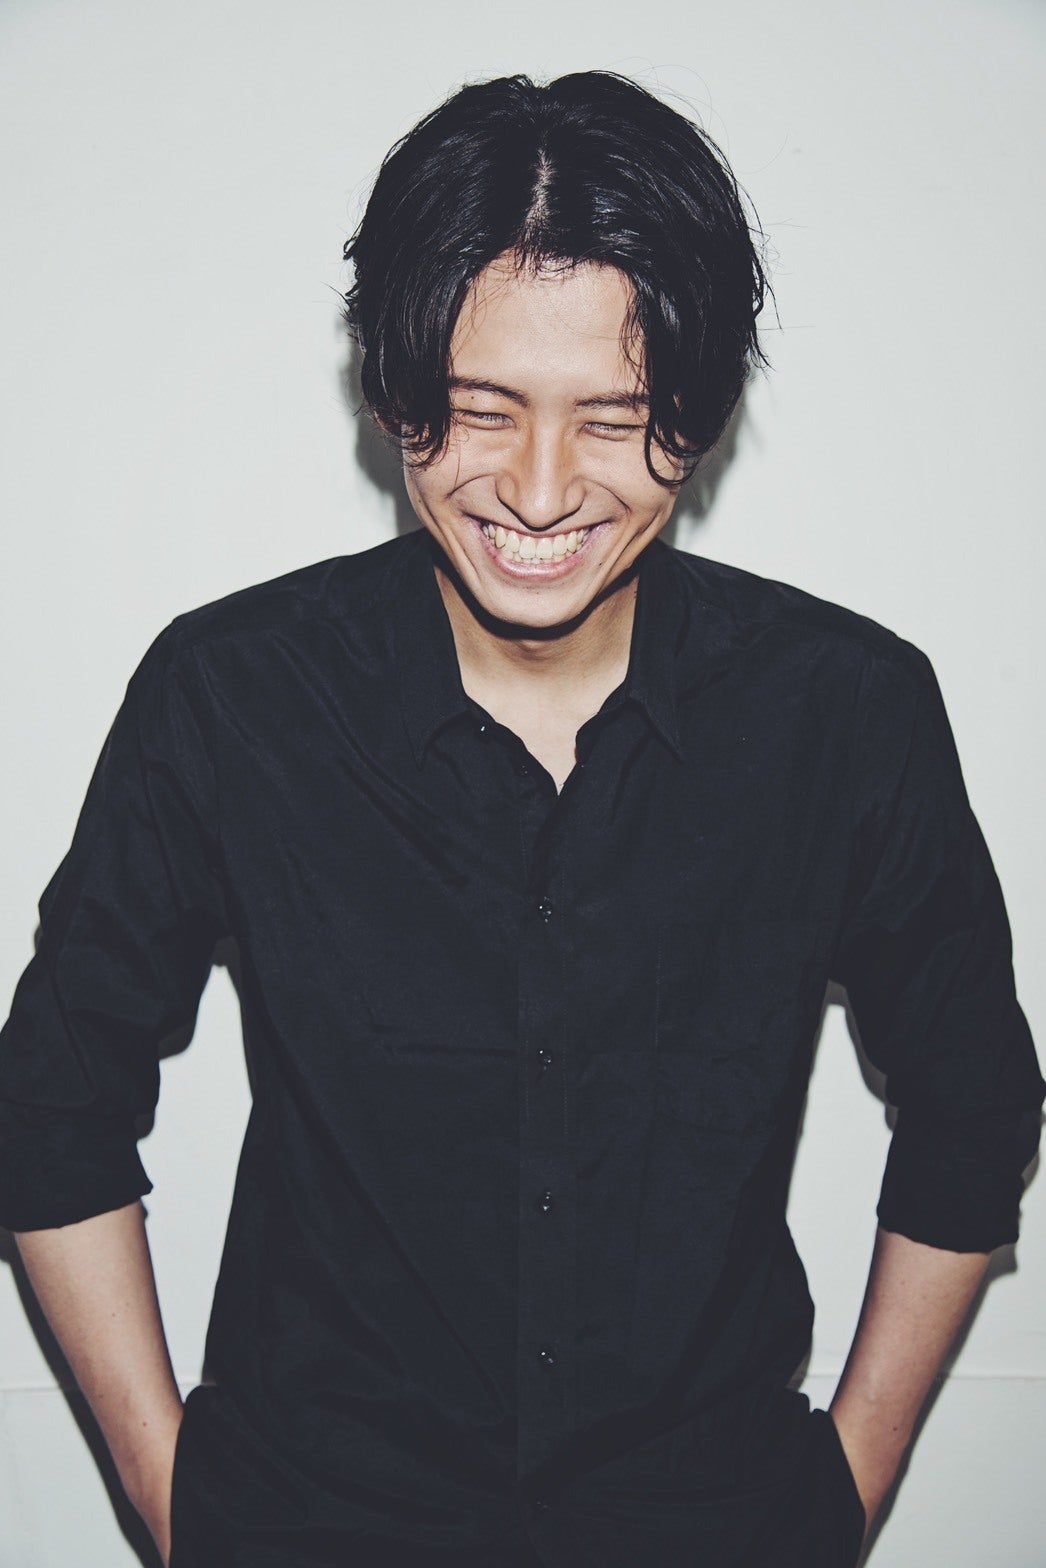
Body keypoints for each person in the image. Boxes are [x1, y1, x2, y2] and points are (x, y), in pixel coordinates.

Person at [0, 70, 1041, 1568]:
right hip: (314, 1522)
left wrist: (845, 1486)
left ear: (697, 414)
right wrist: (181, 1506)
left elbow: (973, 1105)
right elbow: (52, 1104)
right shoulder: (231, 697)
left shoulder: (845, 712)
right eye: (481, 411)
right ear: (390, 393)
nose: (541, 491)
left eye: (614, 420)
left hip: (714, 1527)